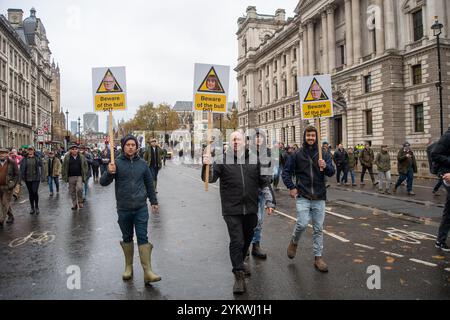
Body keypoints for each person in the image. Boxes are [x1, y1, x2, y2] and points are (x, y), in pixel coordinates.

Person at [201, 131, 275, 294]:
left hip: (250, 209)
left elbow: (264, 183)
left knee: (247, 239)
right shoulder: (221, 159)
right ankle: (238, 275)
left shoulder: (254, 160)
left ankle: (240, 261)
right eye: (233, 139)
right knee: (237, 241)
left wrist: (270, 201)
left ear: (244, 142)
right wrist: (206, 164)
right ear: (230, 142)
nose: (236, 142)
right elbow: (210, 179)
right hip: (231, 209)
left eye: (238, 139)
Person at [100, 135, 161, 284]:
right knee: (127, 238)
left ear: (136, 147)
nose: (131, 147)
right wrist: (109, 171)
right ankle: (128, 267)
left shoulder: (142, 164)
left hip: (141, 208)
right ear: (123, 146)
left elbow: (149, 184)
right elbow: (103, 182)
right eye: (128, 144)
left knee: (142, 237)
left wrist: (153, 201)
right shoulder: (117, 163)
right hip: (124, 208)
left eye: (133, 144)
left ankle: (148, 271)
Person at [282, 125, 335, 272]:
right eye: (308, 135)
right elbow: (286, 172)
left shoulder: (323, 153)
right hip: (303, 195)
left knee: (318, 229)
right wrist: (291, 187)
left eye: (313, 135)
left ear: (316, 137)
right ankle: (294, 241)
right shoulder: (297, 154)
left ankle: (318, 258)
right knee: (302, 224)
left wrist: (325, 165)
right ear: (304, 136)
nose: (310, 138)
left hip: (319, 196)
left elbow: (331, 172)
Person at [249, 129, 276, 259]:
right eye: (256, 137)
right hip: (249, 191)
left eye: (261, 137)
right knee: (249, 220)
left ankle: (256, 245)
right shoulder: (247, 152)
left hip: (262, 189)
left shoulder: (268, 152)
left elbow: (270, 170)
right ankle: (245, 248)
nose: (258, 139)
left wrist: (268, 180)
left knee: (259, 220)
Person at [431, 126, 450, 252]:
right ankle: (440, 240)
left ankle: (440, 240)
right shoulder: (448, 136)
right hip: (447, 174)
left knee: (449, 210)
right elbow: (435, 154)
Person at [62, 144, 88, 210]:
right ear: (70, 150)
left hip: (79, 175)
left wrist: (85, 173)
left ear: (78, 150)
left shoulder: (81, 157)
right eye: (73, 149)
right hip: (70, 176)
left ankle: (80, 201)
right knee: (72, 191)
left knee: (80, 188)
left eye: (76, 149)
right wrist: (64, 175)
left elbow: (85, 165)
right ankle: (74, 204)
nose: (74, 150)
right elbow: (64, 166)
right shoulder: (67, 157)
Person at [20, 146, 42, 215]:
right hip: (28, 178)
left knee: (34, 191)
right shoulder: (24, 159)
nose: (30, 151)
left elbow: (41, 166)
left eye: (31, 150)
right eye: (29, 150)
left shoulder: (37, 158)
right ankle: (32, 207)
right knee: (30, 193)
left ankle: (37, 207)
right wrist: (20, 178)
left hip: (36, 178)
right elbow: (21, 169)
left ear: (33, 150)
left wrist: (43, 176)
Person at [0, 148, 19, 226]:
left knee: (5, 202)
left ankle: (1, 220)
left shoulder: (12, 162)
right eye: (0, 153)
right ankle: (10, 215)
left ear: (7, 154)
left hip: (8, 187)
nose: (1, 155)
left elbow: (17, 175)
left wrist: (12, 184)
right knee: (4, 203)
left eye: (4, 153)